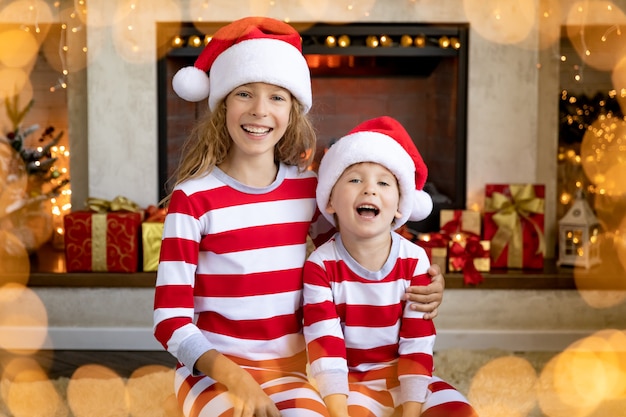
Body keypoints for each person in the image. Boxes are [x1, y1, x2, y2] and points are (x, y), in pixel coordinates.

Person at [153, 17, 445, 417]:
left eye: (277, 97)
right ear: (222, 102)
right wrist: (236, 379)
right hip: (214, 375)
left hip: (290, 372)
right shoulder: (192, 199)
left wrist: (425, 281)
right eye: (244, 93)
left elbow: (360, 255)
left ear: (292, 110)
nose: (259, 110)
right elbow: (169, 320)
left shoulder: (309, 192)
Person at [303, 116, 478, 417]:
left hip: (407, 377)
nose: (370, 190)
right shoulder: (320, 265)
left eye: (383, 182)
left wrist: (410, 410)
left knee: (460, 410)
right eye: (355, 179)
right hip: (345, 382)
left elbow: (417, 343)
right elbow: (325, 346)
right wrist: (338, 410)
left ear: (400, 205)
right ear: (330, 200)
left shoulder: (415, 261)